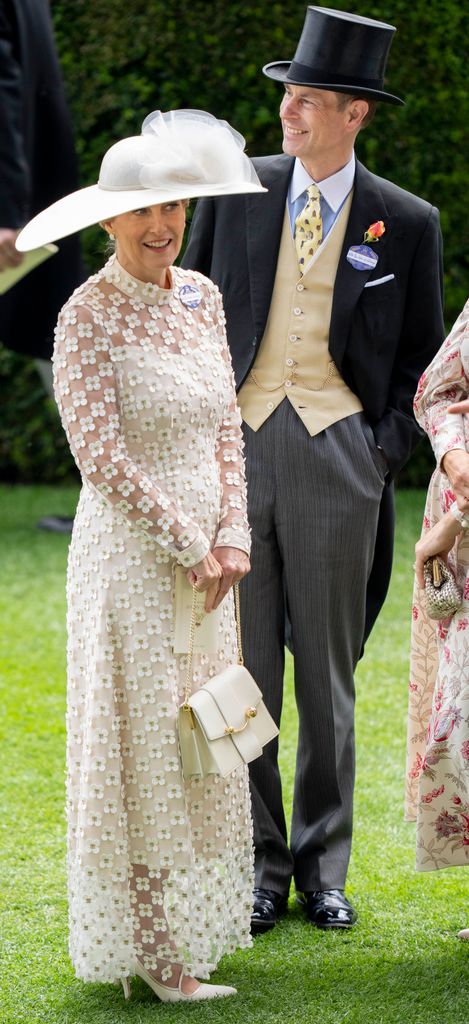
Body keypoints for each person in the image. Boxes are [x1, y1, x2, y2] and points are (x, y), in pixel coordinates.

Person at [182, 6, 445, 932]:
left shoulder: (406, 222)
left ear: (354, 115)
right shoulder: (235, 192)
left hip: (341, 457)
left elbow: (423, 362)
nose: (288, 114)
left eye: (306, 101)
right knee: (242, 666)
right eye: (287, 98)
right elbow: (193, 316)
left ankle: (320, 865)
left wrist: (376, 456)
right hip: (237, 446)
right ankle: (258, 863)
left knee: (327, 676)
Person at [16, 110, 266, 1001]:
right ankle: (154, 956)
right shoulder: (84, 314)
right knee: (145, 746)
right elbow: (100, 457)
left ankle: (188, 930)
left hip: (209, 567)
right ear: (108, 221)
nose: (162, 226)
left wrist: (231, 533)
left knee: (206, 737)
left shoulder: (203, 296)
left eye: (175, 208)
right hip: (131, 560)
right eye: (143, 212)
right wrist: (190, 541)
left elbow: (225, 427)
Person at [0, 0, 85, 531]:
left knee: (61, 347)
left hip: (15, 209)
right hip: (34, 193)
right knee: (62, 345)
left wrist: (6, 211)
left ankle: (122, 496)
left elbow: (2, 92)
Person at [407, 300, 469, 940]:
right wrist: (454, 456)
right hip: (464, 537)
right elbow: (436, 393)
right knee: (462, 718)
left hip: (461, 523)